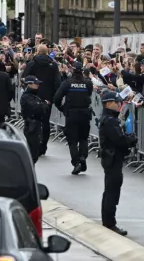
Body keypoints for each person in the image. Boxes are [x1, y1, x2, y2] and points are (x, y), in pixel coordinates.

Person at [98, 90, 138, 236]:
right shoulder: (109, 120)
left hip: (112, 158)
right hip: (112, 158)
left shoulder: (109, 119)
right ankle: (109, 222)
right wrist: (130, 140)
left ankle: (108, 220)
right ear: (109, 103)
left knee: (110, 190)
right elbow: (119, 140)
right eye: (117, 102)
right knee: (112, 191)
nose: (119, 104)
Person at [22, 44, 62, 157]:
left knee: (32, 119)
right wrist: (54, 95)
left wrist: (26, 89)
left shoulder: (32, 63)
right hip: (48, 96)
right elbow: (58, 81)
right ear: (47, 52)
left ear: (37, 51)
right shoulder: (53, 65)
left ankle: (33, 144)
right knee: (45, 122)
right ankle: (43, 145)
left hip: (33, 96)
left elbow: (24, 77)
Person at [54, 66, 93, 174]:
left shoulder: (67, 83)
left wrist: (61, 108)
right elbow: (89, 94)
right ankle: (82, 157)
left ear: (72, 71)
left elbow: (57, 98)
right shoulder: (88, 83)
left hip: (71, 114)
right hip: (85, 113)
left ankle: (76, 163)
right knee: (83, 138)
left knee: (72, 140)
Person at [19, 76, 47, 163]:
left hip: (36, 125)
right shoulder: (26, 97)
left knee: (34, 152)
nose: (38, 85)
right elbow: (36, 108)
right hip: (32, 125)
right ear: (29, 84)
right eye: (35, 83)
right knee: (32, 153)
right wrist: (44, 105)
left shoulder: (34, 95)